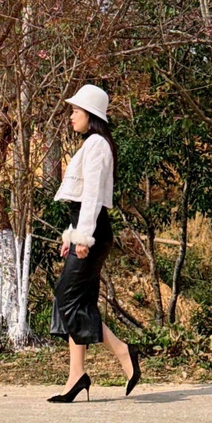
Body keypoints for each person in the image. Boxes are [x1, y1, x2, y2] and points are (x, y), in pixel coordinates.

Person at [48, 84, 141, 403]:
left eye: (76, 111)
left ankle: (121, 350)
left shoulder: (98, 144)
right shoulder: (92, 144)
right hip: (86, 229)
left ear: (91, 114)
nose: (71, 116)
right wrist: (71, 235)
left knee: (67, 297)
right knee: (78, 301)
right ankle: (77, 375)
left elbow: (92, 199)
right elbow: (81, 200)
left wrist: (83, 238)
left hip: (94, 232)